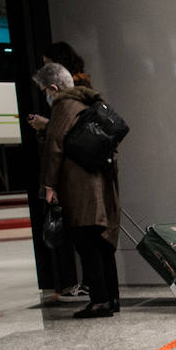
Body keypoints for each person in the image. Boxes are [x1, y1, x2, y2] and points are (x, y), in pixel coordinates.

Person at [33, 62, 121, 319]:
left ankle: (99, 301)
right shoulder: (87, 101)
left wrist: (48, 185)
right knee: (103, 244)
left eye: (44, 91)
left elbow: (55, 147)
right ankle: (112, 298)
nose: (46, 96)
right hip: (101, 185)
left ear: (53, 87)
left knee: (86, 244)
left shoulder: (64, 105)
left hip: (80, 188)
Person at [27, 42, 91, 301]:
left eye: (48, 63)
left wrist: (47, 126)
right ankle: (99, 290)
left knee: (84, 232)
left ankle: (94, 289)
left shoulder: (70, 99)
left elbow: (62, 140)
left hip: (75, 175)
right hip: (84, 173)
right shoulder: (84, 91)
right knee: (89, 234)